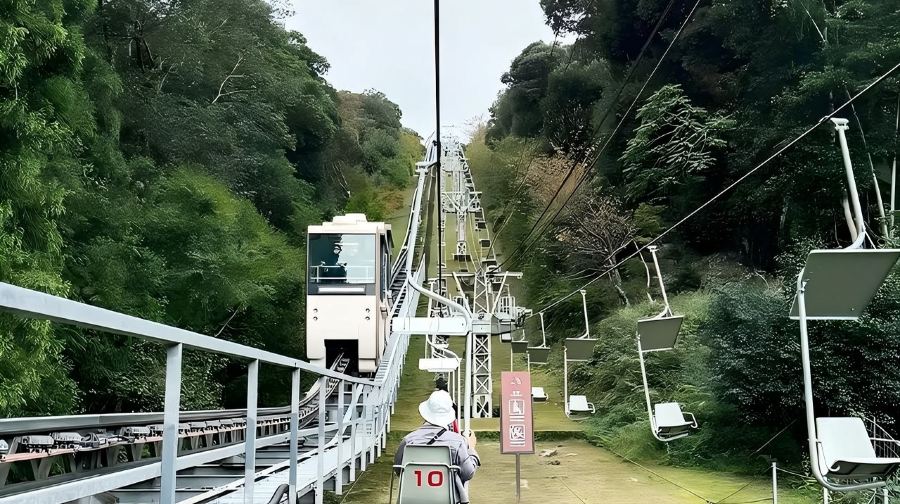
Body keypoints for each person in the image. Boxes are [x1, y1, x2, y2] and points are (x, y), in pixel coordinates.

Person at [394, 390, 480, 503]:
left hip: (412, 499)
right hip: (448, 500)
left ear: (425, 413)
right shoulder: (458, 442)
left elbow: (399, 469)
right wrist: (471, 449)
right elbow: (468, 473)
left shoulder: (408, 440)